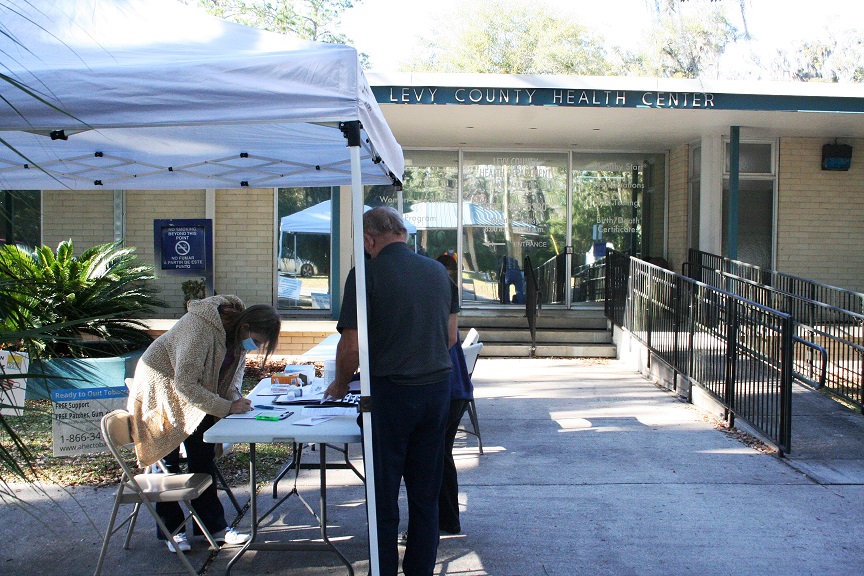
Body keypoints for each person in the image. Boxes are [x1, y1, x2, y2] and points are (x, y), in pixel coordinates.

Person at [325, 206, 459, 576]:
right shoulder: (438, 271)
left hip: (389, 395)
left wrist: (339, 383)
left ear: (369, 239)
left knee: (383, 497)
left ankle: (382, 571)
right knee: (425, 495)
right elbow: (450, 337)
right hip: (436, 392)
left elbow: (350, 344)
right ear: (402, 233)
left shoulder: (365, 274)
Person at [126, 295, 281, 553]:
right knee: (168, 464)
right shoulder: (201, 328)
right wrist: (226, 407)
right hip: (160, 388)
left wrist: (235, 400)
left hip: (192, 393)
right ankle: (170, 531)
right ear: (244, 327)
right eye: (255, 341)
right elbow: (184, 383)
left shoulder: (235, 339)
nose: (254, 346)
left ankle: (213, 528)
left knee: (203, 459)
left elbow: (229, 379)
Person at [439, 342, 473, 535]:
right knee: (441, 459)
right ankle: (448, 519)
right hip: (457, 390)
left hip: (446, 391)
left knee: (430, 462)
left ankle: (436, 523)